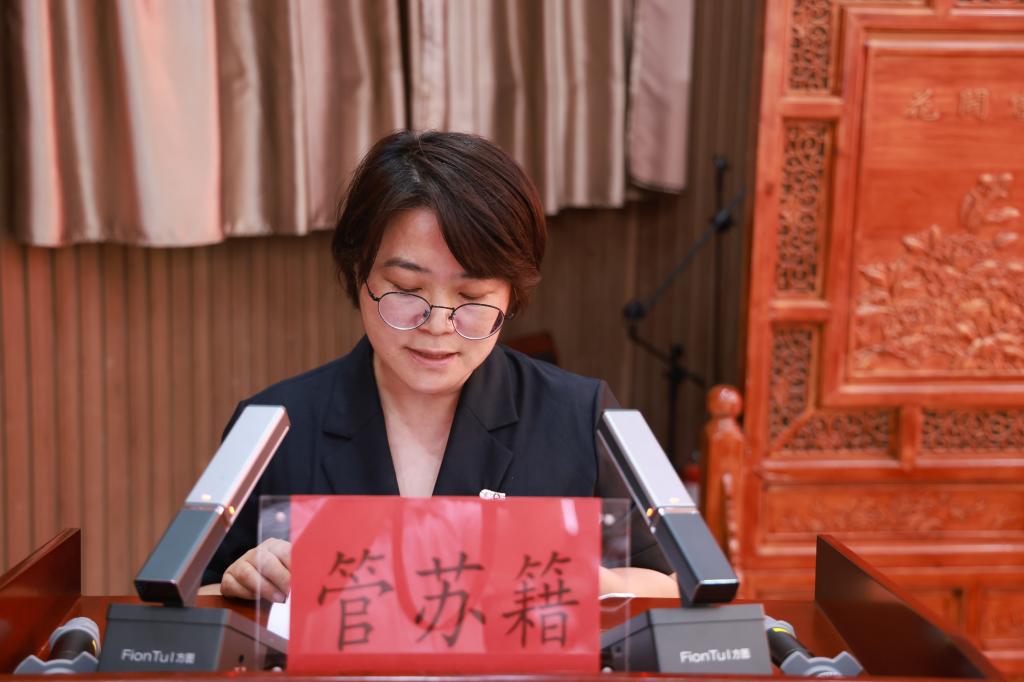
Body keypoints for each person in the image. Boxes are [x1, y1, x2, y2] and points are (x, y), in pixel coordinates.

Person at [201, 130, 676, 601]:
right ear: (358, 271)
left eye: (471, 295)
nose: (437, 324)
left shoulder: (585, 414)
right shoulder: (269, 426)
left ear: (512, 293)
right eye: (407, 290)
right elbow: (187, 595)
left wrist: (597, 583)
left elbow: (681, 586)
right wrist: (238, 582)